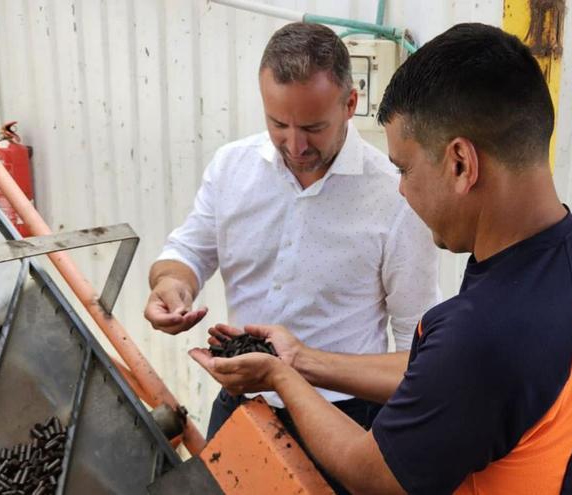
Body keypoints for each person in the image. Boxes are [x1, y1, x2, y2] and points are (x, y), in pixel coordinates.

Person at [190, 22, 572, 495]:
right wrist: (301, 359)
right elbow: (436, 372)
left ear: (461, 163)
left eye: (405, 168)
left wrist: (279, 375)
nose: (399, 188)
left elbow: (373, 475)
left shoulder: (488, 331)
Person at [143, 22, 440, 442]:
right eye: (278, 123)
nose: (295, 145)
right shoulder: (231, 167)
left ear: (350, 103)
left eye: (314, 128)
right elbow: (188, 251)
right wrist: (172, 284)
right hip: (241, 407)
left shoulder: (396, 195)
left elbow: (417, 343)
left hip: (343, 418)